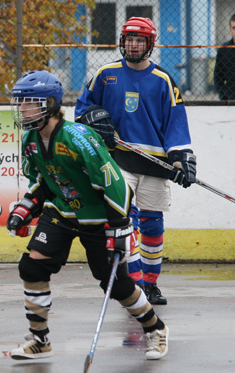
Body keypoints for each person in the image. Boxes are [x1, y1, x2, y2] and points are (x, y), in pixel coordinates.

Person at [8, 70, 169, 361]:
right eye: (21, 102)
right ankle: (40, 340)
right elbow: (44, 181)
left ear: (50, 105)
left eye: (30, 102)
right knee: (32, 268)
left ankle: (154, 328)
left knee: (117, 284)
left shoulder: (78, 138)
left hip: (99, 218)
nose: (22, 109)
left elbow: (115, 185)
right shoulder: (31, 140)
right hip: (62, 212)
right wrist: (25, 208)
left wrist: (119, 229)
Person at [75, 17, 197, 305]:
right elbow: (82, 109)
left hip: (153, 163)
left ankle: (152, 284)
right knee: (125, 223)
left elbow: (175, 124)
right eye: (129, 39)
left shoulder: (163, 80)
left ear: (150, 44)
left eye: (139, 40)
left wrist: (180, 159)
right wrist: (93, 119)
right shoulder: (106, 73)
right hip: (118, 161)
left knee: (152, 225)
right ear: (122, 41)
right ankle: (136, 284)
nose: (132, 44)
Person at [214, 13, 235, 100]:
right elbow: (218, 77)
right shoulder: (224, 50)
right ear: (230, 29)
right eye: (234, 28)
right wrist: (223, 96)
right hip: (230, 97)